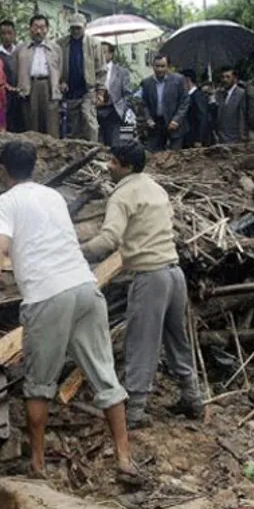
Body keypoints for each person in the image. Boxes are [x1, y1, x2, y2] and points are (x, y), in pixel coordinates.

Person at [0, 140, 139, 482]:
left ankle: (38, 467)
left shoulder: (5, 202)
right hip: (85, 287)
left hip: (48, 296)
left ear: (2, 169)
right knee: (105, 376)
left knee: (39, 384)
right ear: (34, 168)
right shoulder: (53, 196)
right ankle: (124, 459)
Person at [81, 142, 203, 427]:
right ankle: (192, 397)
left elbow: (109, 239)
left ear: (127, 167)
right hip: (175, 274)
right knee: (177, 339)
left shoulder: (123, 195)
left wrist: (77, 249)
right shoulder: (154, 187)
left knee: (141, 340)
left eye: (114, 162)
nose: (109, 166)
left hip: (151, 276)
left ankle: (134, 410)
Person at [15, 15, 62, 138]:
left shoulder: (55, 48)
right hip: (30, 86)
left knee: (51, 124)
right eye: (35, 27)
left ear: (47, 29)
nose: (38, 31)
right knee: (32, 123)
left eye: (42, 27)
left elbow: (61, 69)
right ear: (30, 28)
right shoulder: (21, 48)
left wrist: (57, 85)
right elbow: (16, 69)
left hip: (49, 86)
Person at [58, 14, 102, 141]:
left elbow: (101, 69)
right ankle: (76, 152)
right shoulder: (61, 44)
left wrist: (100, 90)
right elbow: (57, 66)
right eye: (73, 28)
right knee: (73, 124)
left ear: (84, 27)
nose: (76, 31)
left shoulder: (94, 44)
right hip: (70, 90)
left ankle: (94, 149)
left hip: (88, 89)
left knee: (89, 120)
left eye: (78, 28)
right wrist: (61, 81)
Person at [140, 54, 190, 152]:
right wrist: (148, 119)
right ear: (153, 66)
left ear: (168, 66)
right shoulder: (147, 83)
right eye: (157, 66)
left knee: (174, 157)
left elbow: (185, 101)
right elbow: (144, 103)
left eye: (162, 66)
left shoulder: (179, 80)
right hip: (156, 125)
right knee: (155, 156)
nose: (159, 69)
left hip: (175, 124)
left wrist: (176, 120)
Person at [97, 43, 132, 147]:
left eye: (103, 52)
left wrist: (122, 107)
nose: (100, 56)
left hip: (114, 110)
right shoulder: (92, 71)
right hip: (96, 110)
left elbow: (128, 94)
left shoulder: (122, 72)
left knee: (115, 143)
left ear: (111, 54)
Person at [0, 20, 22, 133]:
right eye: (3, 34)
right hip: (2, 95)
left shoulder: (21, 52)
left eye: (9, 33)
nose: (7, 37)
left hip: (20, 94)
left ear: (14, 34)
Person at [216, 67, 247, 144]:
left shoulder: (241, 94)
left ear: (235, 78)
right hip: (221, 137)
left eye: (228, 77)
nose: (225, 80)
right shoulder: (220, 94)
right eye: (223, 77)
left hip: (235, 137)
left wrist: (242, 135)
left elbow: (242, 116)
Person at [181, 69, 210, 148]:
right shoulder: (188, 96)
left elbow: (203, 118)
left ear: (187, 80)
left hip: (195, 139)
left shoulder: (198, 96)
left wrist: (199, 139)